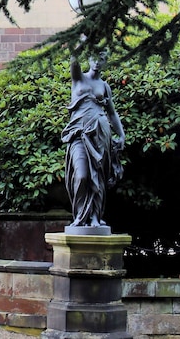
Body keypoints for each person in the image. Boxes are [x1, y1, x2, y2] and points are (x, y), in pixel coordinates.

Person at [61, 50, 125, 229]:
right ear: (88, 58)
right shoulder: (78, 78)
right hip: (79, 133)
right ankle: (80, 216)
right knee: (81, 175)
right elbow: (74, 59)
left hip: (100, 132)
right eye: (94, 58)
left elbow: (112, 113)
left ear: (105, 62)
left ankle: (96, 217)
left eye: (102, 59)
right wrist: (84, 39)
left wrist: (121, 134)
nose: (97, 62)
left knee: (98, 176)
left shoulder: (104, 86)